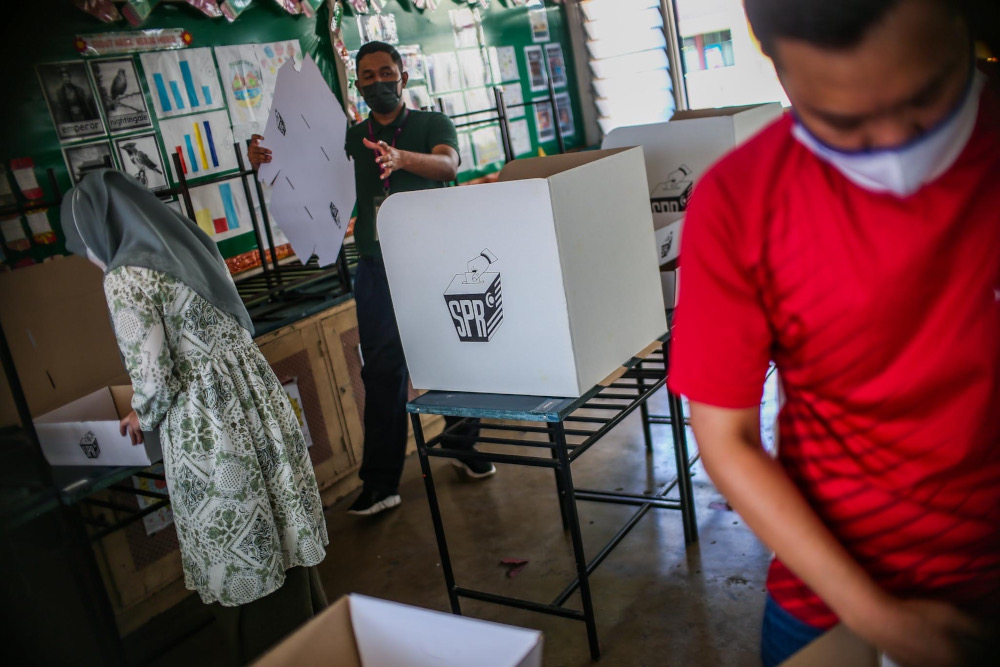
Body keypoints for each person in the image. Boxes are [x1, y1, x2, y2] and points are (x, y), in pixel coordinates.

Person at [667, 1, 1000, 666]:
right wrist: (878, 616)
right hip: (832, 594)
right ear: (783, 76)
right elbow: (725, 437)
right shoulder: (739, 202)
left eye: (927, 98)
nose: (893, 142)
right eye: (844, 122)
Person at [61, 169, 329, 664]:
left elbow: (154, 377)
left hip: (209, 425)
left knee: (240, 535)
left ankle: (278, 653)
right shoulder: (188, 245)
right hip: (255, 398)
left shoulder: (125, 277)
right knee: (278, 523)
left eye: (85, 247)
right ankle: (321, 638)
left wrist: (140, 416)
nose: (92, 257)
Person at [249, 41, 495, 518]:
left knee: (450, 358)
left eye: (386, 72)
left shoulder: (430, 124)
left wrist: (403, 159)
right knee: (382, 372)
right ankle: (381, 483)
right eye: (367, 76)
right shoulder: (349, 137)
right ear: (358, 84)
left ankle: (465, 446)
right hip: (377, 266)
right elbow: (302, 163)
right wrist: (262, 155)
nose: (378, 82)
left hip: (434, 262)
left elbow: (448, 164)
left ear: (402, 75)